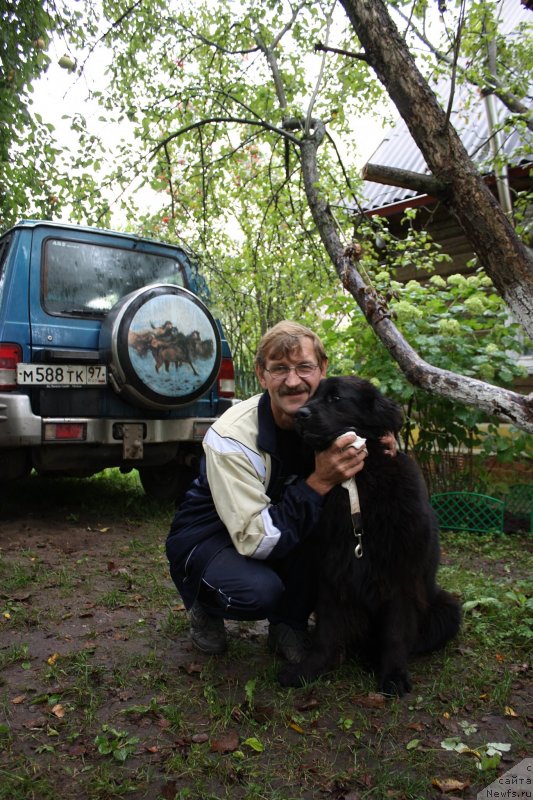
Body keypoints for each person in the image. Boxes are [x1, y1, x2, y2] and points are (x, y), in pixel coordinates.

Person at [166, 321, 396, 663]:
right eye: (279, 369)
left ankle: (289, 624)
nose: (293, 381)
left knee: (326, 537)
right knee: (258, 591)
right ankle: (205, 604)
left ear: (322, 369)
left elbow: (374, 416)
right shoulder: (231, 437)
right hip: (213, 534)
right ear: (261, 375)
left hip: (273, 520)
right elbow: (256, 538)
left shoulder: (329, 411)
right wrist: (318, 482)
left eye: (304, 367)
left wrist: (386, 438)